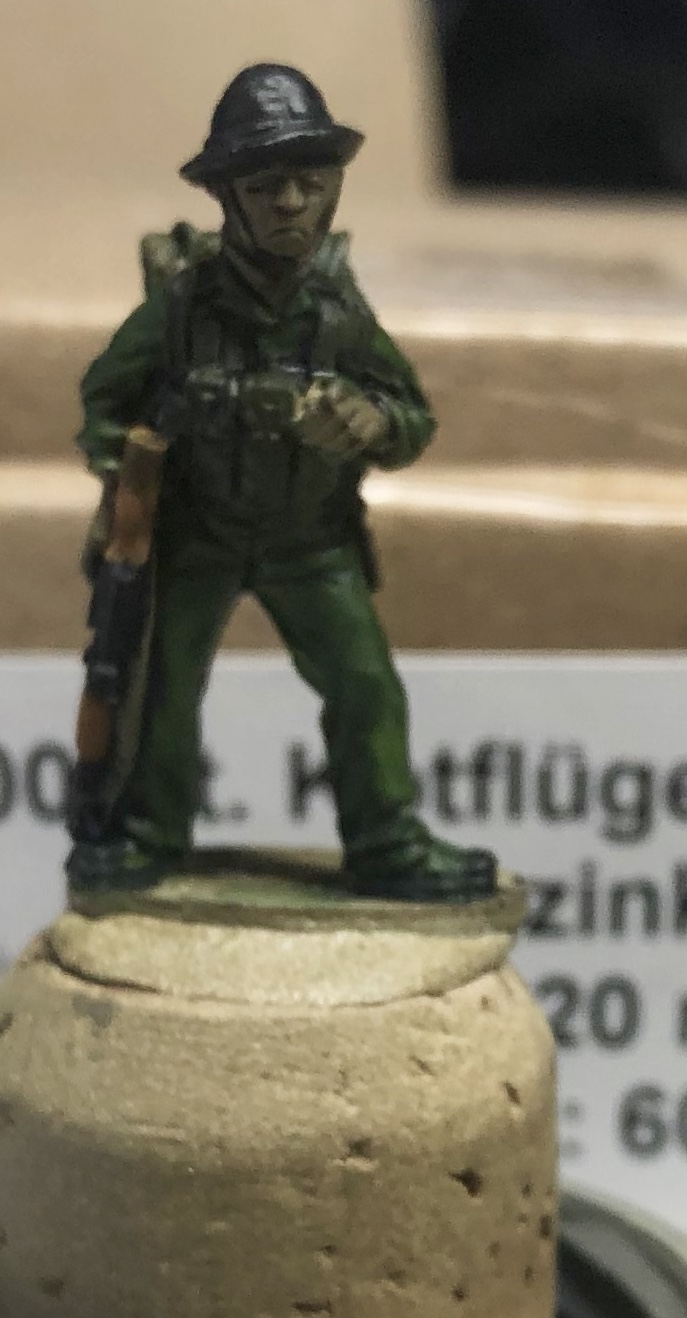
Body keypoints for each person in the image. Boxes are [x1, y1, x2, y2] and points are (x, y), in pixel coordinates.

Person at [69, 63, 495, 900]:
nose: (292, 203)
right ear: (228, 196)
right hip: (196, 537)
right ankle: (150, 838)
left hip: (310, 542)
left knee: (364, 685)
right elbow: (102, 407)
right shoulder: (180, 308)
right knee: (162, 691)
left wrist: (371, 425)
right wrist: (141, 464)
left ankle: (385, 843)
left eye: (311, 182)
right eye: (267, 186)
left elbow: (412, 418)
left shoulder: (340, 310)